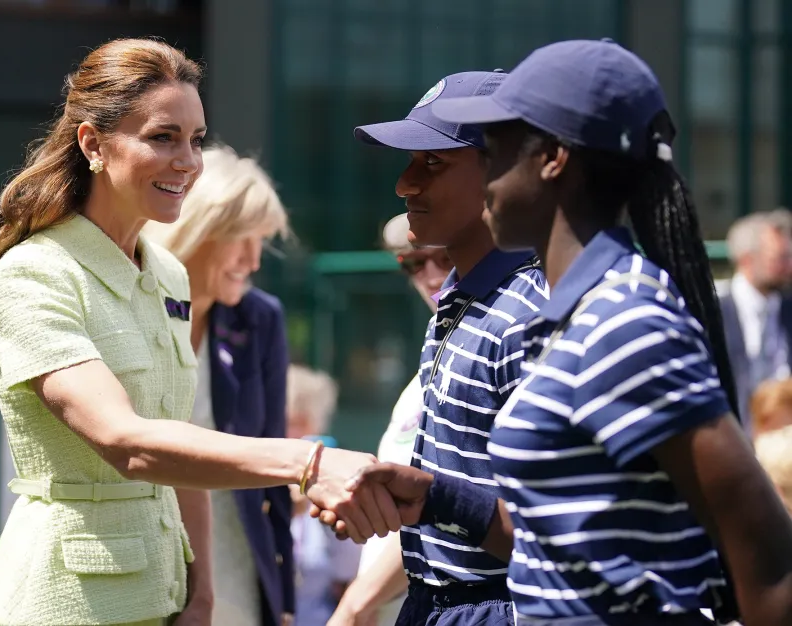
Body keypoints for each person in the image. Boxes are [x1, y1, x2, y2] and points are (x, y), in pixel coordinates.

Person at [0, 38, 399, 626]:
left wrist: (202, 592)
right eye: (163, 136)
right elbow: (127, 442)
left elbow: (177, 445)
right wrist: (308, 462)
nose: (188, 160)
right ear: (92, 144)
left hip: (167, 596)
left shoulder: (169, 275)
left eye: (196, 139)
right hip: (62, 603)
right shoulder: (34, 273)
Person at [336, 39, 792, 626]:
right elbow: (564, 541)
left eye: (496, 151)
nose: (487, 177)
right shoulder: (575, 314)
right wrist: (435, 497)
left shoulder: (624, 318)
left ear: (552, 159)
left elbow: (768, 561)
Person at [344, 71, 550, 626]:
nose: (404, 184)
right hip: (435, 599)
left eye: (432, 162)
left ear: (505, 170)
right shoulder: (461, 299)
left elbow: (558, 537)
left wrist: (433, 498)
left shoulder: (531, 314)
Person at [143, 145, 295, 626]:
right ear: (200, 228)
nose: (253, 261)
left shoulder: (261, 319)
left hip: (235, 554)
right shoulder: (135, 300)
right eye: (242, 239)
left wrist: (284, 593)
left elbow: (274, 461)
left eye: (262, 242)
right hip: (141, 546)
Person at [329, 213, 453, 626]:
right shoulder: (434, 355)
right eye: (415, 263)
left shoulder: (490, 348)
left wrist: (355, 605)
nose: (431, 277)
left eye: (446, 258)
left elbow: (454, 504)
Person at [285, 364, 363, 625]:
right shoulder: (248, 488)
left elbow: (348, 573)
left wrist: (325, 511)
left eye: (299, 423)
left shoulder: (328, 490)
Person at [719, 210, 792, 432]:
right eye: (780, 258)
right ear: (747, 259)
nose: (789, 267)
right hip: (736, 442)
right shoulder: (715, 315)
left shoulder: (787, 309)